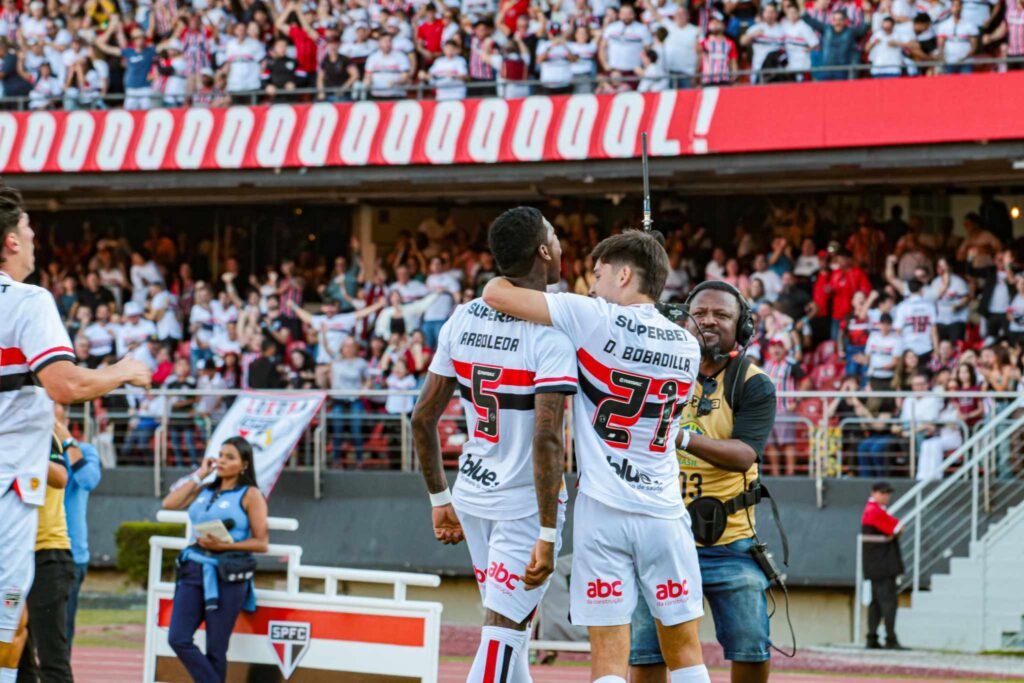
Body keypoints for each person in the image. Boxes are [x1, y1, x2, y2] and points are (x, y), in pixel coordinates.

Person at [484, 229, 709, 683]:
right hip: (664, 513)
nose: (592, 284)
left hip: (603, 512)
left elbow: (496, 294)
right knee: (687, 652)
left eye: (599, 274)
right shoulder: (688, 344)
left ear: (624, 274)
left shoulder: (592, 316)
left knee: (608, 660)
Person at [412, 207, 578, 682]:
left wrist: (439, 499)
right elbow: (547, 438)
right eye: (556, 237)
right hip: (523, 504)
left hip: (472, 494)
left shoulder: (462, 318)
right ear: (544, 252)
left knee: (513, 634)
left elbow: (422, 419)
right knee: (502, 635)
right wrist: (548, 534)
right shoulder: (550, 331)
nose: (562, 245)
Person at [0, 184, 150, 681]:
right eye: (28, 229)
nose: (35, 238)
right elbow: (65, 384)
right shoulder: (27, 301)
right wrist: (123, 371)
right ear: (12, 242)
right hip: (8, 494)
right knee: (8, 635)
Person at [632, 280, 778, 683]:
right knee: (645, 651)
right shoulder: (659, 368)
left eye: (722, 314)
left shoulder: (753, 382)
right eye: (701, 313)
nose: (709, 321)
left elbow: (744, 454)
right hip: (661, 535)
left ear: (742, 326)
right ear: (685, 319)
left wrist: (680, 436)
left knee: (752, 643)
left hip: (730, 542)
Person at [161, 437, 269, 682]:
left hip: (225, 576)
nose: (221, 461)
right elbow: (170, 503)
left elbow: (261, 542)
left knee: (216, 649)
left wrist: (223, 544)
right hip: (193, 570)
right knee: (177, 637)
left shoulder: (250, 494)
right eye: (220, 455)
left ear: (243, 465)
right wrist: (201, 473)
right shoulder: (205, 487)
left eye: (229, 457)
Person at [17, 432, 74, 682]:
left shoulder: (40, 432)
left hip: (47, 556)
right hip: (12, 561)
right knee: (15, 654)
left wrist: (16, 452)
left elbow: (61, 477)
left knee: (52, 658)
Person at [58, 406, 101, 650]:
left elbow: (88, 480)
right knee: (15, 622)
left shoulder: (83, 451)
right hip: (24, 554)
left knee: (61, 629)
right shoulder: (28, 450)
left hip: (70, 557)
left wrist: (66, 440)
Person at [860, 481, 905, 650]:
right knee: (888, 602)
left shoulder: (871, 511)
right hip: (883, 565)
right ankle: (890, 638)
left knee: (877, 602)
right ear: (874, 493)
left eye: (888, 493)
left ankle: (872, 637)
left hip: (875, 566)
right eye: (883, 492)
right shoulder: (874, 511)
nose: (886, 496)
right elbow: (897, 527)